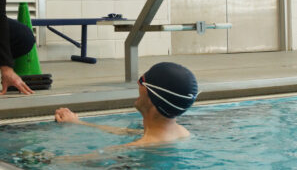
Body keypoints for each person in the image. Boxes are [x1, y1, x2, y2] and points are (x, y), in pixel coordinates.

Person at [55, 62, 198, 148]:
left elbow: (64, 162)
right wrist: (78, 122)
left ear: (152, 98)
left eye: (142, 80)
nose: (137, 83)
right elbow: (125, 132)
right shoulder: (181, 133)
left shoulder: (134, 148)